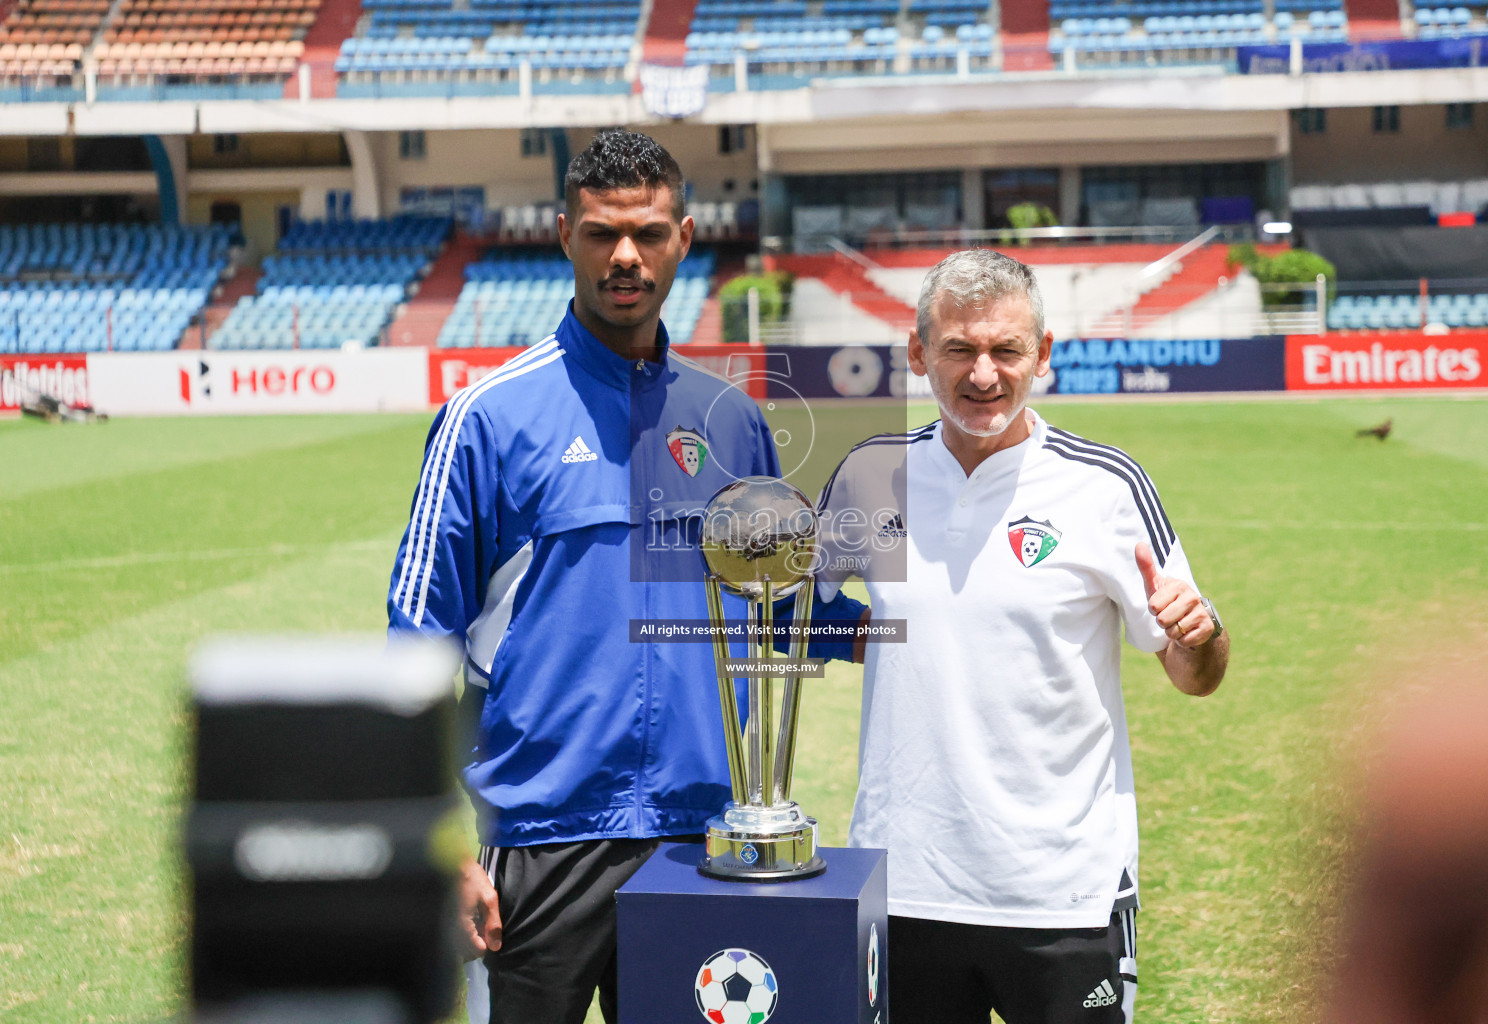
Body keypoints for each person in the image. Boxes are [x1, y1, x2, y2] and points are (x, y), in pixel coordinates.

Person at [387, 130, 786, 1024]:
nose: (625, 256)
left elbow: (778, 613)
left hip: (700, 836)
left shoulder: (734, 424)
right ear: (565, 233)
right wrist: (435, 842)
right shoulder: (486, 418)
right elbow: (415, 638)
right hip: (537, 843)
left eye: (647, 232)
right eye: (603, 233)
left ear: (685, 237)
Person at [813, 248, 1231, 1024]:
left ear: (1042, 354)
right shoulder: (873, 475)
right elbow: (798, 613)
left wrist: (1198, 635)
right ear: (917, 354)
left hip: (1062, 894)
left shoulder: (1102, 486)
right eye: (959, 350)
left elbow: (1194, 672)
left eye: (1007, 351)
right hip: (907, 885)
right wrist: (871, 636)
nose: (983, 375)